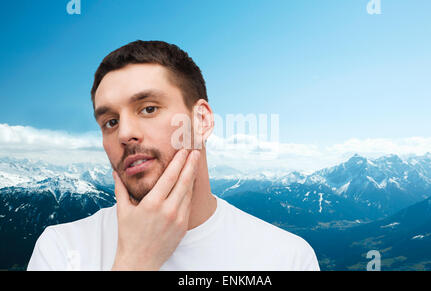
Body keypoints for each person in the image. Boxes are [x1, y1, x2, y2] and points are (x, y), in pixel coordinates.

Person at [27, 40, 320, 271]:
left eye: (149, 108)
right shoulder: (61, 250)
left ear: (201, 121)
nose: (124, 133)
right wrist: (135, 262)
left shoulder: (287, 258)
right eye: (110, 122)